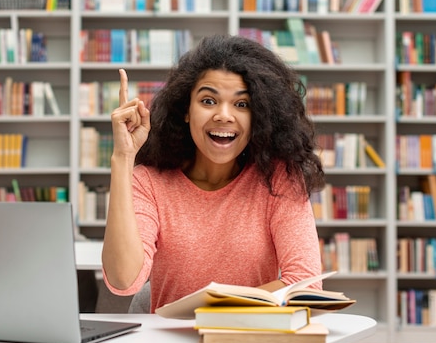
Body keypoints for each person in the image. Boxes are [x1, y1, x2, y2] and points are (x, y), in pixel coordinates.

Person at [102, 34, 326, 314]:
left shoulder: (278, 179)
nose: (224, 115)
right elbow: (124, 281)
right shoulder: (150, 182)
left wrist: (210, 310)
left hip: (247, 342)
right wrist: (123, 158)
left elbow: (305, 284)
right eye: (208, 101)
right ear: (186, 110)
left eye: (241, 104)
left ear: (260, 116)